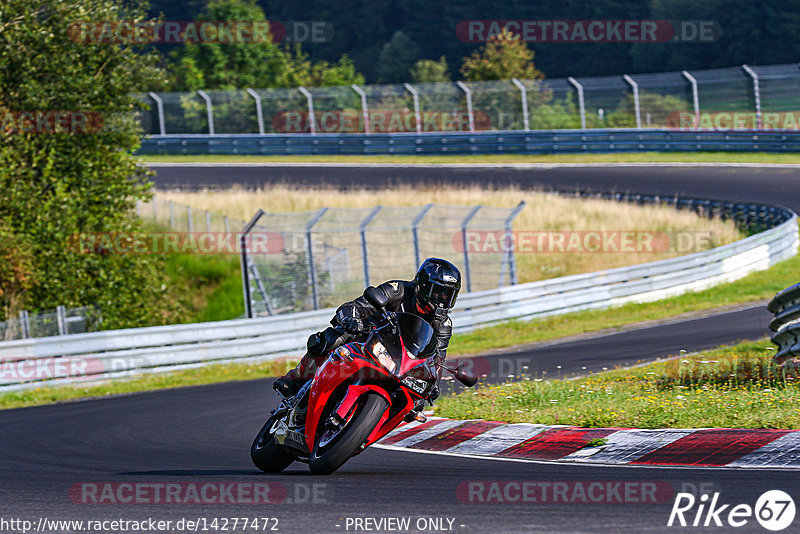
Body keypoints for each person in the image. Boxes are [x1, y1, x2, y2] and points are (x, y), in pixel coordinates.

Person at [272, 257, 462, 403]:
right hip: (369, 336)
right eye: (437, 292)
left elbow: (436, 359)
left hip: (400, 361)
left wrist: (433, 384)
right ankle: (296, 378)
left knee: (415, 402)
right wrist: (351, 319)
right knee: (331, 338)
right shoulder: (398, 290)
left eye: (447, 295)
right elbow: (356, 306)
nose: (441, 300)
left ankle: (366, 426)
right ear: (422, 285)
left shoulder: (443, 325)